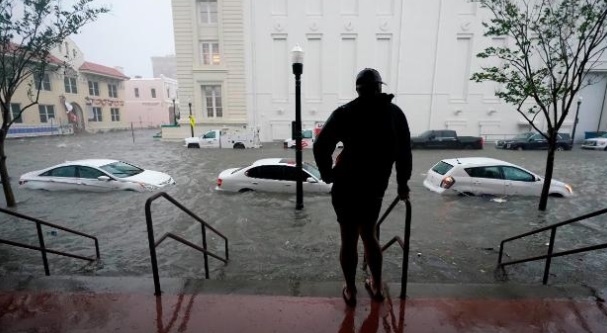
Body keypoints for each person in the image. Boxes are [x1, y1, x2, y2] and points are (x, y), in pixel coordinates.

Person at [313, 68, 412, 307]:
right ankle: (376, 285)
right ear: (379, 87)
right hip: (375, 187)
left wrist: (327, 174)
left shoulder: (345, 113)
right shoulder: (394, 114)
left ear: (357, 89)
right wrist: (402, 184)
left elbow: (320, 146)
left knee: (348, 240)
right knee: (369, 235)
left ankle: (351, 290)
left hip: (345, 185)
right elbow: (404, 154)